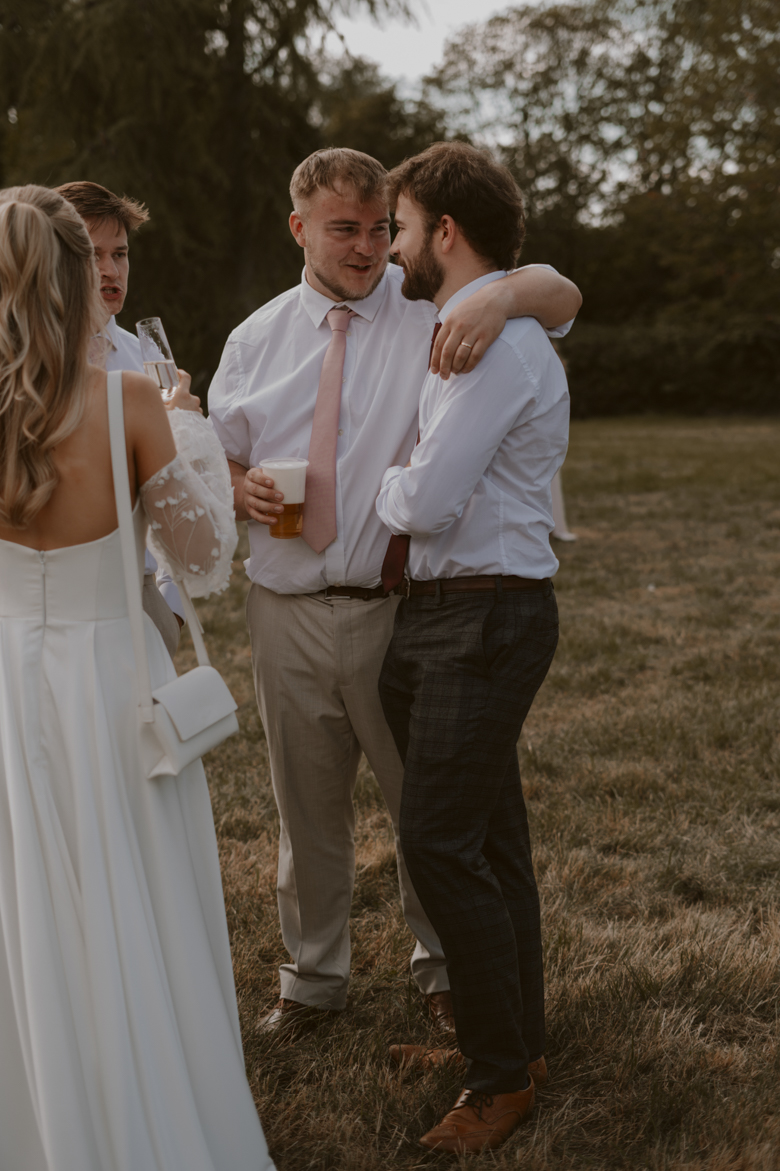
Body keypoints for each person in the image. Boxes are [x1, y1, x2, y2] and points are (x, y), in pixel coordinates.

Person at [208, 147, 581, 1034]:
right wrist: (235, 485)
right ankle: (311, 979)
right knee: (305, 811)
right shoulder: (254, 339)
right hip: (286, 607)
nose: (369, 247)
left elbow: (561, 296)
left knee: (427, 807)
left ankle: (448, 974)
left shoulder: (434, 315)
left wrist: (504, 295)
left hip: (400, 607)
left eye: (382, 228)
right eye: (345, 229)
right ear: (299, 228)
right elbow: (212, 451)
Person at [0, 185, 273, 1171]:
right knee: (134, 894)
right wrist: (186, 427)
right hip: (112, 680)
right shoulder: (127, 402)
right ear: (80, 279)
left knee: (26, 894)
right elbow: (202, 560)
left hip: (8, 678)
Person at [375, 142, 568, 1154]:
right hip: (453, 610)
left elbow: (426, 498)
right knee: (489, 843)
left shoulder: (496, 343)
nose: (394, 245)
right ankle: (515, 1045)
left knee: (440, 843)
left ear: (444, 231)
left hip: (483, 615)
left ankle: (498, 1081)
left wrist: (383, 480)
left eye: (403, 226)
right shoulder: (480, 322)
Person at [55, 180, 201, 657]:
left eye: (119, 254)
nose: (110, 270)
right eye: (91, 255)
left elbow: (183, 503)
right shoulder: (22, 368)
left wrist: (170, 606)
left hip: (140, 607)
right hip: (45, 611)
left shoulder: (147, 360)